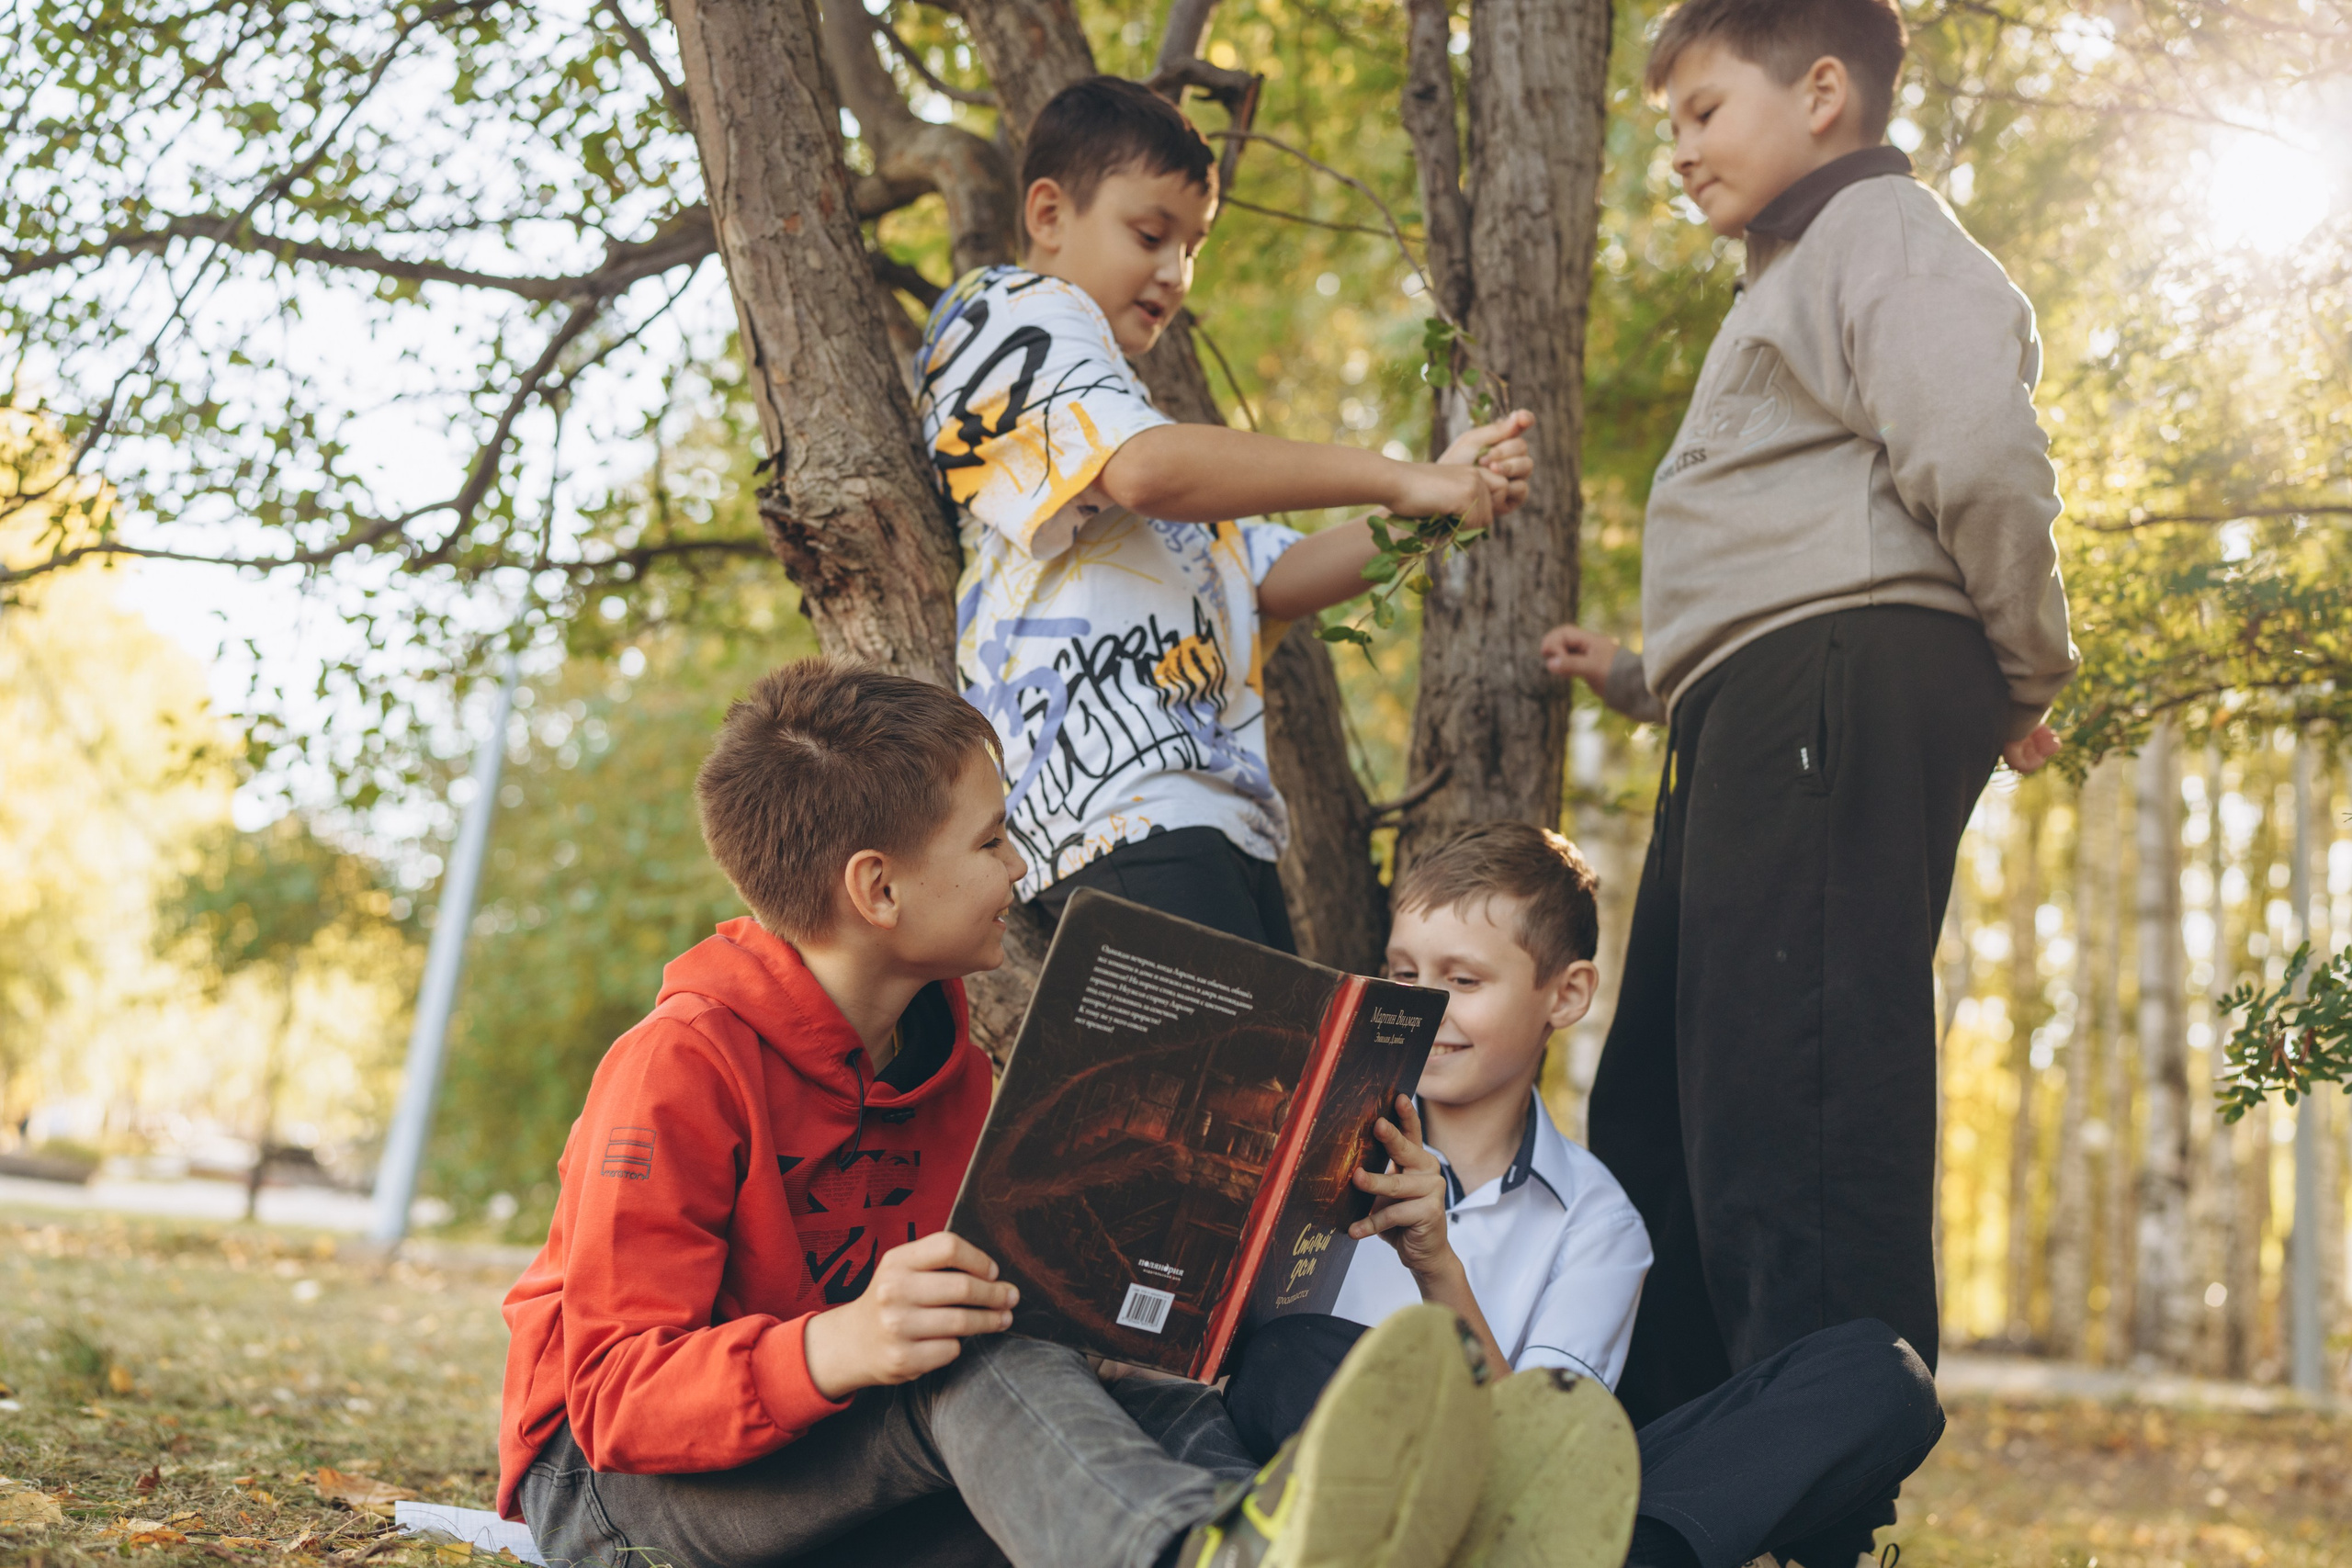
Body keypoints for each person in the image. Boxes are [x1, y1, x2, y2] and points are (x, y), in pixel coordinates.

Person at [493, 659, 1631, 1568]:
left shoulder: (945, 1055)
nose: (1020, 865)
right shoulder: (678, 1066)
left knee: (1144, 1407)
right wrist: (838, 1345)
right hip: (618, 1498)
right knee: (970, 1362)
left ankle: (1315, 1537)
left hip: (842, 1458)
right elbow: (609, 1401)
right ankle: (1202, 1553)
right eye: (990, 841)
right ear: (878, 891)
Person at [1541, 0, 2076, 1457]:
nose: (1680, 154)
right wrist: (1648, 675)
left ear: (1825, 91)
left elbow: (1972, 450)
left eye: (1705, 112)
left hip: (1835, 689)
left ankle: (1825, 1478)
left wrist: (2027, 665)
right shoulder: (1789, 270)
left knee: (1803, 1086)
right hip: (1765, 703)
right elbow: (1794, 536)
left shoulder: (1882, 233)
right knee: (1680, 1093)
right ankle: (1684, 1465)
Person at [1221, 823, 1949, 1568]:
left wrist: (1437, 1264)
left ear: (1566, 995)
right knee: (1288, 1356)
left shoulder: (1599, 1221)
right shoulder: (1317, 1154)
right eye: (1404, 975)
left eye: (1463, 980)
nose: (1425, 1006)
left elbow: (1540, 1464)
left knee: (1882, 1371)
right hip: (1347, 1485)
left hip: (1531, 1511)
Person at [917, 74, 1532, 951]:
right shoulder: (1011, 312)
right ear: (1048, 214)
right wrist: (1398, 478)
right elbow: (1146, 472)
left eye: (1194, 245)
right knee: (1219, 1089)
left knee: (1251, 1090)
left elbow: (1277, 579)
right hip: (1118, 818)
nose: (1176, 272)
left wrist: (1444, 504)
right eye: (1150, 234)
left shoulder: (1139, 425)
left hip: (1210, 819)